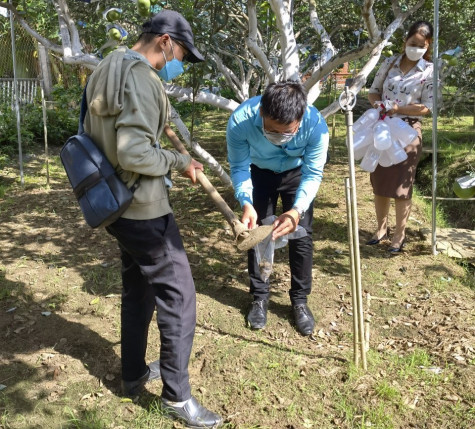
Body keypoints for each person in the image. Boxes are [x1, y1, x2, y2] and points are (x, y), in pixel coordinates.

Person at [83, 10, 223, 428]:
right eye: (180, 52)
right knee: (179, 296)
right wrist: (180, 160)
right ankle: (178, 398)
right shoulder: (143, 78)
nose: (178, 61)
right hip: (143, 208)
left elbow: (111, 134)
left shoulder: (108, 63)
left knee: (138, 288)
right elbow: (134, 153)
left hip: (112, 202)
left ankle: (133, 373)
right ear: (165, 41)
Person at [226, 80, 329, 336]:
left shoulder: (316, 126)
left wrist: (296, 211)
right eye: (273, 131)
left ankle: (300, 300)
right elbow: (239, 167)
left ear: (300, 118)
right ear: (261, 112)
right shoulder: (240, 121)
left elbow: (313, 172)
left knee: (301, 235)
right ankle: (260, 297)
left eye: (288, 133)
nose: (280, 139)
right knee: (257, 234)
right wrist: (246, 202)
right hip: (259, 173)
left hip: (297, 174)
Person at [366, 21, 434, 253]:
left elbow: (427, 107)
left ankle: (399, 233)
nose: (415, 48)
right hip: (383, 127)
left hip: (408, 131)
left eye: (421, 45)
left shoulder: (429, 71)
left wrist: (399, 109)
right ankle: (381, 228)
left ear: (428, 45)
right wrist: (381, 106)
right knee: (380, 179)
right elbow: (373, 91)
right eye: (412, 43)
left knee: (402, 185)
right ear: (405, 41)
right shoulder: (389, 63)